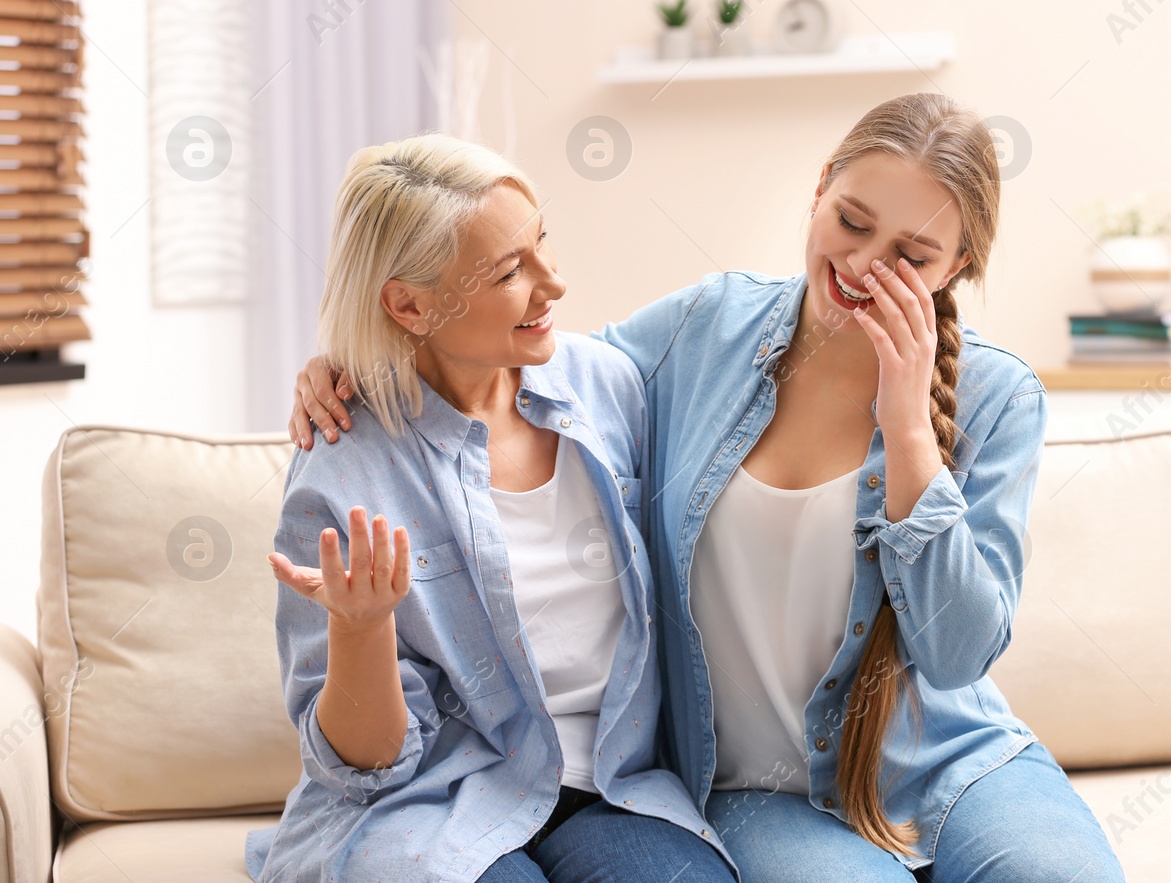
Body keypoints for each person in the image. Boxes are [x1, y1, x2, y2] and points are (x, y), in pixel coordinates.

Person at [291, 95, 1125, 881]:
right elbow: (516, 360)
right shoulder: (705, 331)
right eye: (852, 222)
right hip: (757, 788)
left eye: (911, 255)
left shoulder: (997, 396)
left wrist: (909, 434)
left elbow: (959, 653)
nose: (868, 266)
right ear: (818, 192)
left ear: (958, 266)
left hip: (950, 757)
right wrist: (357, 360)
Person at [249, 134, 735, 883]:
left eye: (543, 244)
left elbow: (752, 329)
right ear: (410, 303)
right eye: (512, 270)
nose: (555, 284)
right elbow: (366, 764)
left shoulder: (607, 385)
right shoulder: (343, 467)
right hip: (430, 803)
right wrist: (361, 626)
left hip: (615, 788)